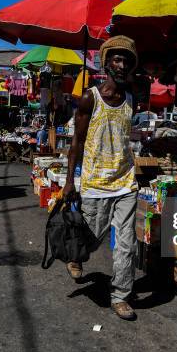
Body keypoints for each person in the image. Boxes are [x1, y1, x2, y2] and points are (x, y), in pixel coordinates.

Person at [62, 35, 139, 321]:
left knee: (126, 244)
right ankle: (76, 256)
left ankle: (120, 296)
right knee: (90, 240)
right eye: (116, 60)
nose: (121, 65)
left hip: (125, 182)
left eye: (126, 61)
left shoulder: (132, 98)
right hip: (95, 184)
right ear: (106, 64)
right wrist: (71, 182)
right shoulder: (88, 98)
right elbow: (76, 143)